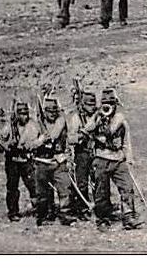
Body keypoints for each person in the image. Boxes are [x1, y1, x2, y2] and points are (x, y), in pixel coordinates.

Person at [92, 88, 143, 231]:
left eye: (111, 103)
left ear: (116, 104)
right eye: (105, 103)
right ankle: (102, 219)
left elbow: (127, 140)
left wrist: (129, 157)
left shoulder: (121, 119)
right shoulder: (96, 117)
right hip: (102, 158)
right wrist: (98, 117)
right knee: (101, 190)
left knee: (127, 187)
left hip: (118, 158)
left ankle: (128, 217)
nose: (108, 106)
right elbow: (87, 129)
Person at [25, 96, 74, 226]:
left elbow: (62, 137)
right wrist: (39, 141)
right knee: (42, 192)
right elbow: (27, 145)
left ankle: (65, 213)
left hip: (58, 161)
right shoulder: (34, 125)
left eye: (54, 111)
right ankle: (44, 215)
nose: (52, 114)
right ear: (44, 112)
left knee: (65, 188)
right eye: (49, 112)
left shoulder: (61, 121)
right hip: (41, 162)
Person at [0, 100, 37, 221]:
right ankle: (13, 212)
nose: (24, 116)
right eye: (22, 114)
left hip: (26, 159)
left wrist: (31, 145)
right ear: (17, 115)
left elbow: (39, 138)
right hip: (13, 160)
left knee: (33, 185)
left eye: (26, 113)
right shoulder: (9, 127)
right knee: (12, 186)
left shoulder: (32, 125)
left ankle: (38, 207)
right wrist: (8, 144)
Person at [66, 90, 99, 219]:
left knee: (98, 180)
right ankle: (82, 208)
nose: (92, 107)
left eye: (93, 104)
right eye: (89, 104)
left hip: (97, 152)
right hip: (82, 153)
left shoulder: (98, 115)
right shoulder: (76, 118)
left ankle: (100, 206)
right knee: (82, 182)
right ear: (83, 104)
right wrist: (84, 132)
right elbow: (71, 139)